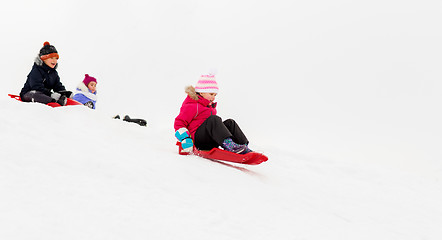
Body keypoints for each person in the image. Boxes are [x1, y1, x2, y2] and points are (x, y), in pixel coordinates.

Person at [174, 74, 253, 154]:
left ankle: (243, 146)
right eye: (211, 94)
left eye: (215, 95)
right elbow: (179, 123)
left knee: (230, 123)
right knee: (214, 119)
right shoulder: (192, 105)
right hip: (197, 141)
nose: (214, 97)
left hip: (210, 139)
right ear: (201, 92)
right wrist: (185, 139)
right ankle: (229, 145)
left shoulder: (209, 106)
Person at [20, 41, 71, 106]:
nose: (54, 61)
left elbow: (57, 85)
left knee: (47, 96)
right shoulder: (36, 71)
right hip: (29, 93)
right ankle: (54, 102)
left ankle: (60, 100)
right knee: (36, 94)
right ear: (43, 59)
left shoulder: (53, 73)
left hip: (45, 95)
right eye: (51, 58)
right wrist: (51, 94)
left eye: (56, 58)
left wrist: (64, 93)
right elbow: (36, 87)